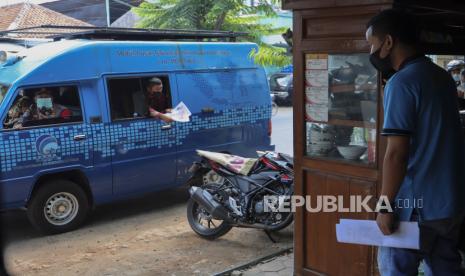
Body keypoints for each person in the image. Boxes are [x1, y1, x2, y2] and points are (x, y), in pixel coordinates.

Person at [366, 9, 465, 276]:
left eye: (371, 43)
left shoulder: (402, 82)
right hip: (449, 205)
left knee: (396, 270)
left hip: (416, 210)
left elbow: (396, 154)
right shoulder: (441, 76)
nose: (371, 51)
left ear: (388, 42)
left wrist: (385, 206)